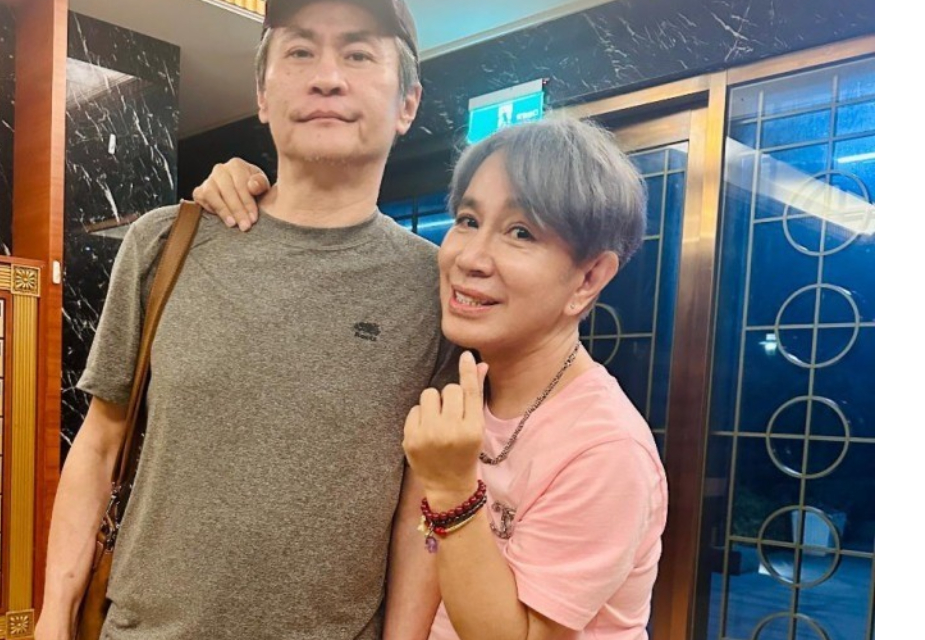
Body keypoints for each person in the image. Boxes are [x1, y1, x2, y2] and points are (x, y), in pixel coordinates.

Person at [35, 0, 454, 639]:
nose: (327, 77)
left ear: (407, 103)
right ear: (262, 94)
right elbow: (101, 440)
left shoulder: (433, 288)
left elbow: (419, 504)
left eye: (358, 54)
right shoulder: (165, 243)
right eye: (300, 51)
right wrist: (53, 618)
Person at [197, 116, 668, 640]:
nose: (470, 258)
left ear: (589, 278)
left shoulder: (606, 450)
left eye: (520, 233)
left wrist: (452, 488)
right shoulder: (461, 383)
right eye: (468, 220)